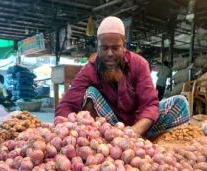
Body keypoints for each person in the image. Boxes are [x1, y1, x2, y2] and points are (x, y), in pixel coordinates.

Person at [55, 16, 190, 138]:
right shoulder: (89, 70)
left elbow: (149, 104)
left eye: (115, 48)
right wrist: (66, 128)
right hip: (110, 127)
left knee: (180, 103)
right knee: (91, 93)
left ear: (124, 46)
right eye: (104, 48)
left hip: (138, 124)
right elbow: (66, 105)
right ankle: (101, 141)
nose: (109, 54)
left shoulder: (139, 64)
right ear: (98, 46)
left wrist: (135, 131)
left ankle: (154, 140)